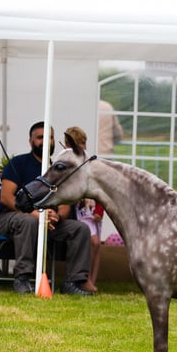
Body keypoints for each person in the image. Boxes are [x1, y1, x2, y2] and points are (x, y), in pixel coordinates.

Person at [0, 121, 93, 295]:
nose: (46, 141)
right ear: (31, 141)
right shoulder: (18, 163)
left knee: (81, 229)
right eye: (40, 137)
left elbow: (65, 204)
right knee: (28, 221)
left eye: (50, 137)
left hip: (48, 223)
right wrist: (35, 215)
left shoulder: (58, 168)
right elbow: (6, 198)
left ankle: (73, 282)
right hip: (12, 218)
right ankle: (22, 278)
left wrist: (57, 216)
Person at [64, 126, 102, 293]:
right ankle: (83, 278)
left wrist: (99, 211)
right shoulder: (64, 164)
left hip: (89, 213)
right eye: (80, 144)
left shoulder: (88, 163)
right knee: (91, 240)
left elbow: (99, 188)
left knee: (96, 243)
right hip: (76, 212)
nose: (84, 147)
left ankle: (91, 279)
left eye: (84, 143)